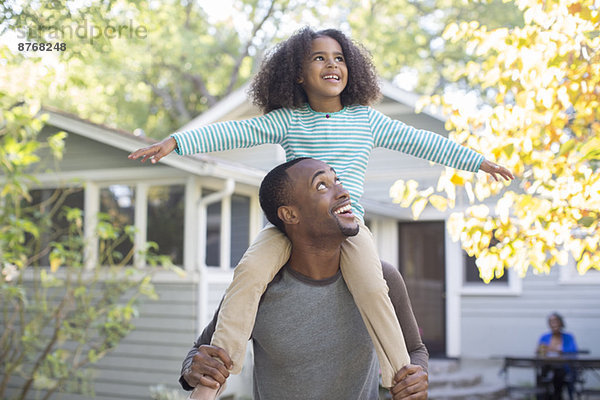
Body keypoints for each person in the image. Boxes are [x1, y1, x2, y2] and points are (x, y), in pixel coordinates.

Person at [129, 27, 514, 399]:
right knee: (249, 273)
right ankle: (213, 382)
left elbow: (423, 142)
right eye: (319, 58)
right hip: (285, 231)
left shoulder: (366, 120)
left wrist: (477, 161)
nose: (332, 65)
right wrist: (176, 142)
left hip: (351, 227)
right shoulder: (289, 119)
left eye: (339, 58)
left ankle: (398, 378)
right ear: (298, 72)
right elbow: (234, 133)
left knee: (372, 287)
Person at [180, 157, 429, 399]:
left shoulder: (383, 278)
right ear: (290, 215)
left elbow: (415, 350)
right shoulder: (258, 289)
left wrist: (418, 377)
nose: (343, 191)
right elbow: (198, 352)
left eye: (337, 180)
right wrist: (194, 371)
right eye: (322, 185)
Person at [536, 312, 578, 400]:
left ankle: (557, 396)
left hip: (564, 367)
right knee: (541, 377)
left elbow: (573, 351)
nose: (554, 323)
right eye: (551, 321)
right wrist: (539, 350)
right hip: (547, 366)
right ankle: (543, 396)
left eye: (556, 321)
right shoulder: (544, 337)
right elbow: (539, 350)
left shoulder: (568, 337)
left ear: (561, 323)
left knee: (558, 374)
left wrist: (558, 350)